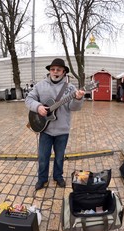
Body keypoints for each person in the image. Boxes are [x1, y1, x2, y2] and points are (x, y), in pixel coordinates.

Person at [25, 58, 85, 190]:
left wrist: (78, 99)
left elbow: (74, 108)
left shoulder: (70, 88)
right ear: (49, 71)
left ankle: (58, 176)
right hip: (45, 129)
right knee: (43, 157)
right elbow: (29, 99)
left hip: (62, 130)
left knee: (59, 157)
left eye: (58, 69)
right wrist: (38, 107)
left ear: (64, 72)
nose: (55, 72)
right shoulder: (40, 86)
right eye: (53, 69)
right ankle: (42, 179)